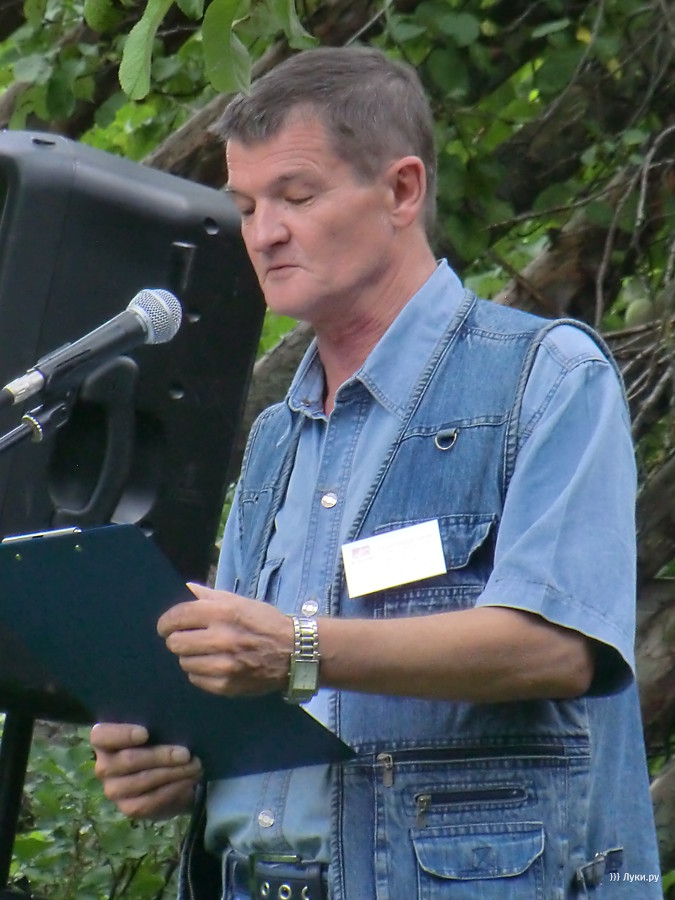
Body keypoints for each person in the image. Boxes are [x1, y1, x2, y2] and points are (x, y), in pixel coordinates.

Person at [91, 46, 661, 899]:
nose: (263, 233)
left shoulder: (544, 377)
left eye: (295, 195)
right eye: (246, 206)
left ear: (400, 190)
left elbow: (556, 648)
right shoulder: (277, 436)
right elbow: (259, 688)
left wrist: (296, 648)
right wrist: (177, 757)